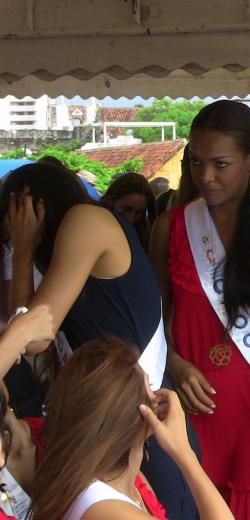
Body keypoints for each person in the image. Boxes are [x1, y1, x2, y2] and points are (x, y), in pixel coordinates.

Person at [0, 163, 196, 520]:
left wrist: (24, 247)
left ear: (31, 206)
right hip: (113, 418)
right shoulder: (73, 236)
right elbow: (25, 323)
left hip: (140, 416)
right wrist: (25, 251)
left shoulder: (85, 220)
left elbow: (32, 337)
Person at [149, 100, 250, 519]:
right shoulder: (172, 226)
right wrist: (177, 365)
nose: (205, 176)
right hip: (188, 417)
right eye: (196, 163)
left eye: (220, 164)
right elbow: (155, 314)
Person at [27, 339, 234, 520]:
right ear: (143, 414)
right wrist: (184, 452)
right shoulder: (105, 507)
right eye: (150, 387)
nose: (156, 396)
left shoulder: (127, 480)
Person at [102, 173, 157, 251]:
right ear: (109, 201)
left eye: (138, 213)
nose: (131, 218)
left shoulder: (144, 239)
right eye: (126, 209)